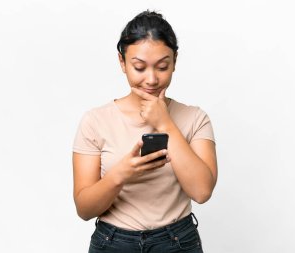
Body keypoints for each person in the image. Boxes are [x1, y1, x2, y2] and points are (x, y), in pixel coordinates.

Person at [72, 10, 218, 253]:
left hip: (176, 242)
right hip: (113, 243)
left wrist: (165, 123)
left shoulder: (195, 118)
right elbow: (84, 210)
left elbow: (201, 192)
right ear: (122, 62)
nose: (151, 79)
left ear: (175, 61)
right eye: (139, 67)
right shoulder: (95, 121)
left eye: (162, 66)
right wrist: (121, 174)